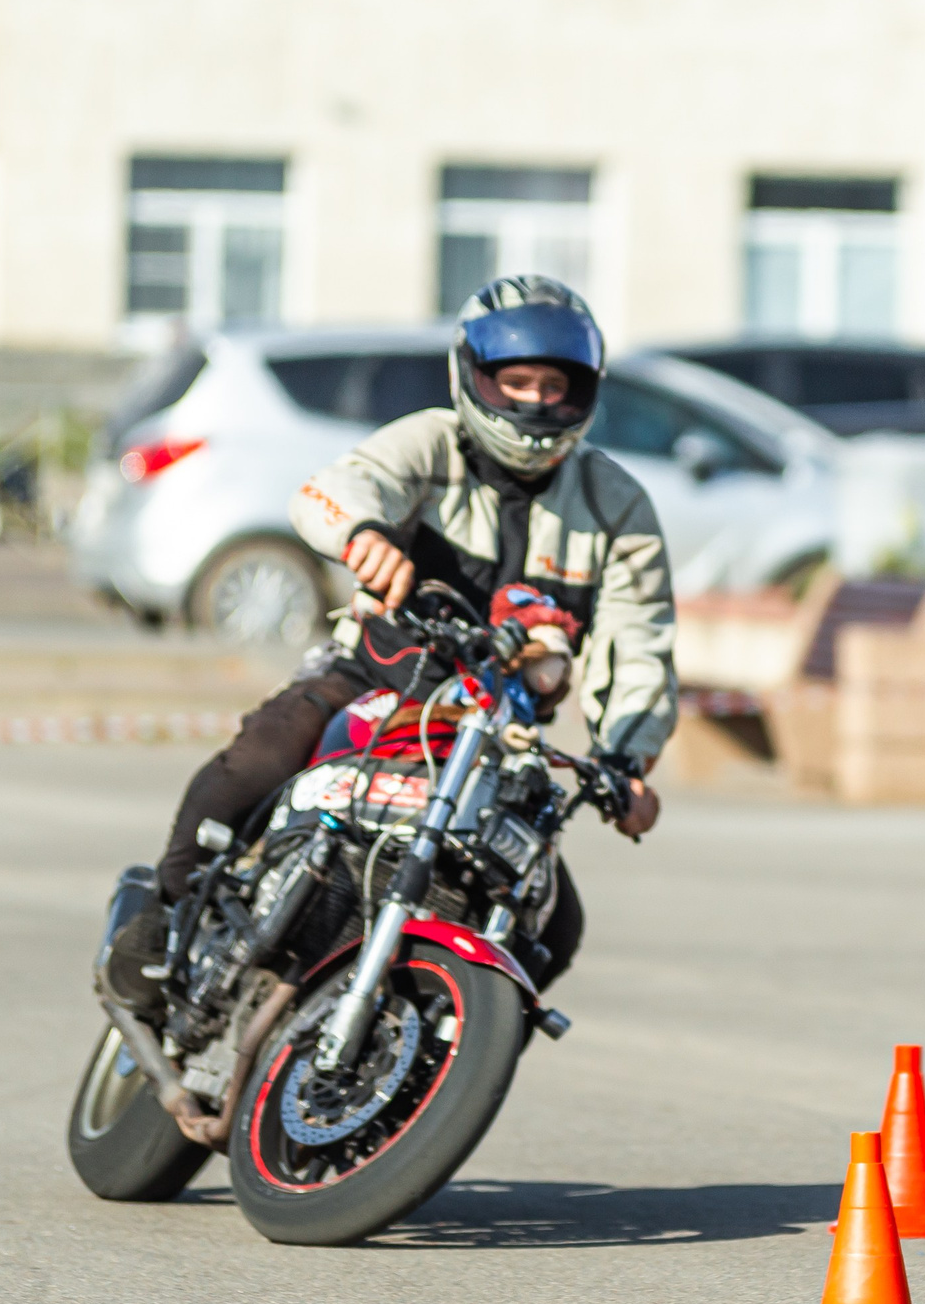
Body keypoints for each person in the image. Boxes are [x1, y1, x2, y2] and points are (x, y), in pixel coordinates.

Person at [108, 275, 676, 1006]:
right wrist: (363, 534)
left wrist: (626, 758)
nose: (536, 400)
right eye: (516, 380)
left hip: (502, 736)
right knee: (264, 749)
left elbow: (641, 638)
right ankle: (165, 912)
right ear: (473, 376)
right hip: (379, 677)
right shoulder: (429, 441)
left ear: (586, 390)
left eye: (555, 384)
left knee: (554, 926)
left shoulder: (617, 504)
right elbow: (339, 487)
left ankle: (441, 1045)